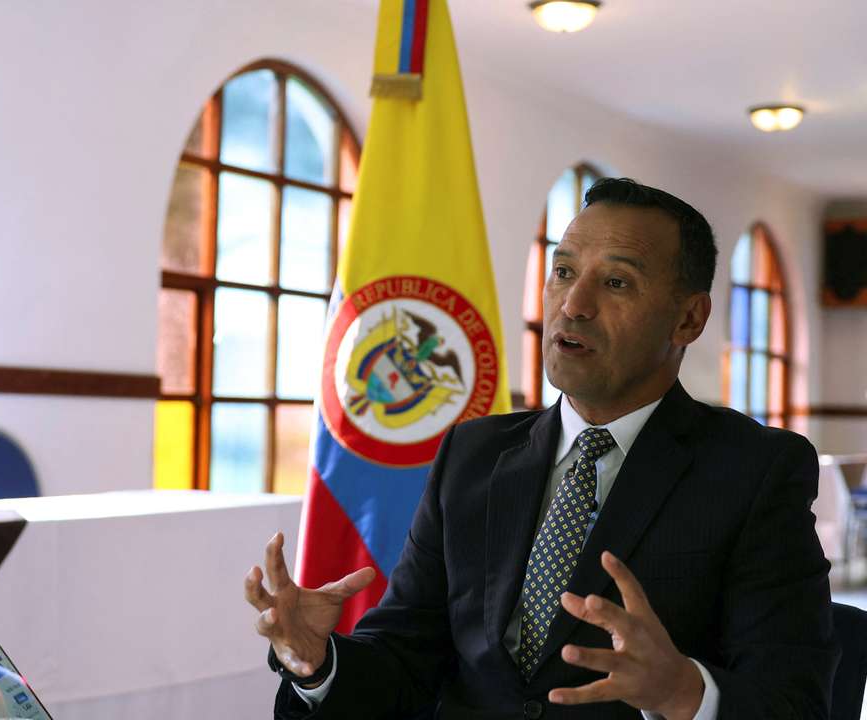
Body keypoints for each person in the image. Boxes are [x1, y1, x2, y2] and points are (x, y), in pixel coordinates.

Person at [244, 178, 837, 719]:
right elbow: (405, 659)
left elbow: (797, 700)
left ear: (688, 319)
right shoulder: (471, 456)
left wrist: (682, 690)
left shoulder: (756, 471)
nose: (573, 305)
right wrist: (320, 663)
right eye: (562, 271)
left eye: (616, 282)